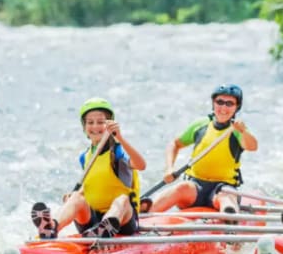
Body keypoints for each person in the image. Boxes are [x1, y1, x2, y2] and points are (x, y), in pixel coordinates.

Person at [31, 97, 147, 239]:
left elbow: (141, 165)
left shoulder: (118, 152)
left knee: (122, 200)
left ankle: (106, 227)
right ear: (84, 128)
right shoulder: (85, 157)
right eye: (90, 122)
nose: (95, 126)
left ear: (110, 125)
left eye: (101, 122)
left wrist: (120, 138)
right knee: (75, 197)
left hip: (123, 220)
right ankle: (51, 228)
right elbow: (91, 185)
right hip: (93, 221)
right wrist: (73, 197)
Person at [143, 84, 258, 214]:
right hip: (195, 187)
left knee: (226, 197)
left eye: (229, 103)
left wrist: (243, 132)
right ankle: (144, 215)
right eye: (219, 102)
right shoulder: (201, 125)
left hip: (223, 187)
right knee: (181, 187)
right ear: (213, 103)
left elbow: (252, 146)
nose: (224, 107)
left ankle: (229, 217)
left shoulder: (238, 130)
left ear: (236, 107)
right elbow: (174, 144)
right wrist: (169, 168)